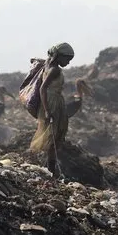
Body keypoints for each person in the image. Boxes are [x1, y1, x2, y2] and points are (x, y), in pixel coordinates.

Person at [29, 42, 74, 175]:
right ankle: (51, 169)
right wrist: (48, 110)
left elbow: (41, 60)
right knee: (54, 137)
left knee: (51, 136)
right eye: (67, 59)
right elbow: (43, 88)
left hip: (50, 103)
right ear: (59, 56)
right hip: (52, 103)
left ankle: (50, 169)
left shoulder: (48, 64)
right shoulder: (55, 70)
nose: (68, 63)